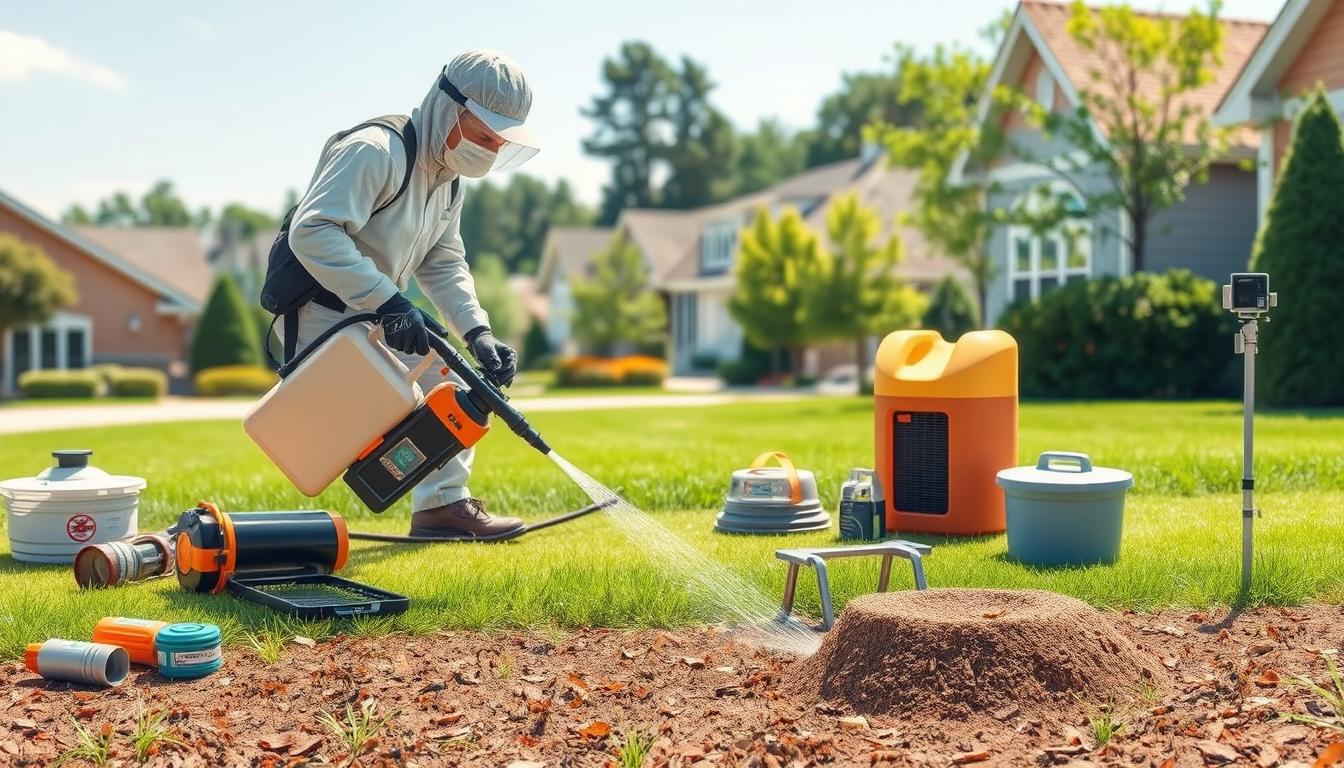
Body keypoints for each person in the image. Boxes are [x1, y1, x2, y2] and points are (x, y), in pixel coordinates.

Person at [285, 50, 536, 538]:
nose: (488, 150)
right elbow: (312, 231)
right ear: (447, 107)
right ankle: (431, 504)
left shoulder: (446, 180)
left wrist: (478, 333)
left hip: (369, 317)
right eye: (483, 135)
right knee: (416, 399)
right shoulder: (375, 151)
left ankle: (441, 508)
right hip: (321, 316)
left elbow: (442, 262)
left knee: (459, 385)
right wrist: (390, 302)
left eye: (498, 142)